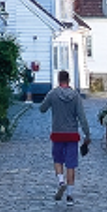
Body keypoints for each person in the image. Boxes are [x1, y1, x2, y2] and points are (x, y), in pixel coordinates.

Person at [38, 70, 91, 203]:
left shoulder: (53, 94)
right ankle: (70, 196)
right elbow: (82, 117)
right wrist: (87, 134)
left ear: (58, 79)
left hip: (57, 133)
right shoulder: (75, 96)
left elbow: (42, 108)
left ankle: (61, 181)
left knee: (58, 160)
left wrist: (52, 104)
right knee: (71, 164)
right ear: (69, 80)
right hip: (72, 134)